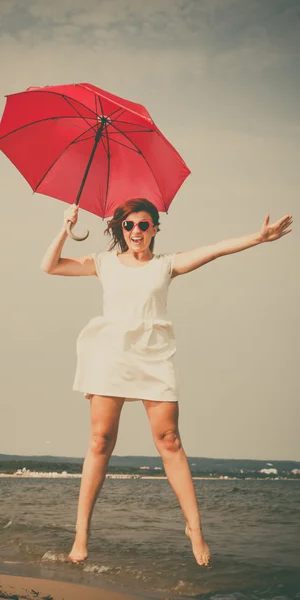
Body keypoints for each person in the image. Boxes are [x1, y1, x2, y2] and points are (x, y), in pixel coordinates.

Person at [40, 198, 292, 567]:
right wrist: (65, 228)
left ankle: (194, 528)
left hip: (153, 356)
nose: (136, 232)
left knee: (169, 441)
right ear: (119, 229)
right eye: (128, 226)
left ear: (155, 228)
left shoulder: (165, 265)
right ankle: (81, 533)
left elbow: (215, 251)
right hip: (110, 354)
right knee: (100, 442)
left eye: (144, 225)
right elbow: (50, 266)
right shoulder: (103, 263)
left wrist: (258, 238)